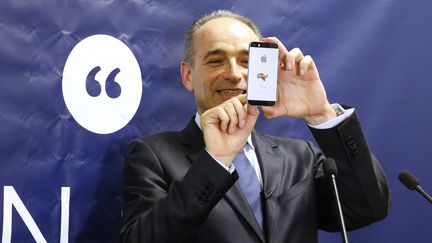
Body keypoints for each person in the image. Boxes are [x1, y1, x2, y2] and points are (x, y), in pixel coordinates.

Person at [120, 10, 391, 243]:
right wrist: (216, 162)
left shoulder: (301, 157)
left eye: (247, 61)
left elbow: (368, 207)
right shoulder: (152, 155)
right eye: (216, 60)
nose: (235, 73)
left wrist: (322, 114)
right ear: (188, 75)